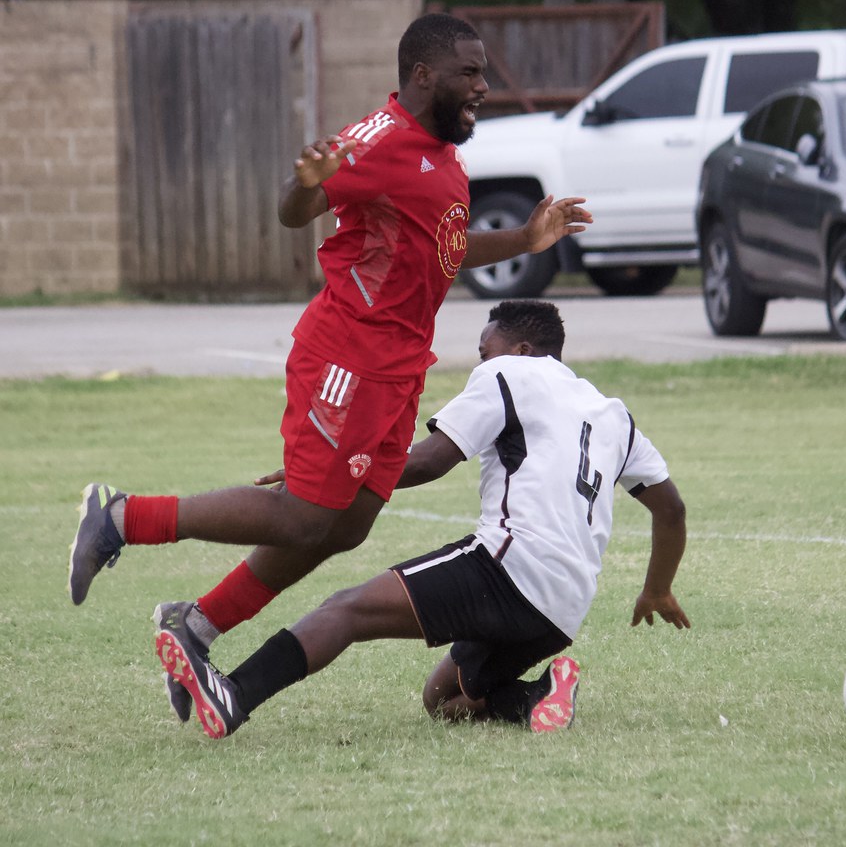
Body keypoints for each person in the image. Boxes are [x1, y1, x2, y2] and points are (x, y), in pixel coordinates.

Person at [68, 13, 592, 723]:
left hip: (399, 367)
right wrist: (303, 183)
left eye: (483, 73)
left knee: (348, 526)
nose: (483, 86)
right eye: (469, 73)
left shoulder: (441, 153)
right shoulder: (378, 139)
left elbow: (446, 249)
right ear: (422, 75)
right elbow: (299, 205)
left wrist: (527, 238)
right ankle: (123, 517)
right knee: (307, 514)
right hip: (348, 354)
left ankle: (197, 624)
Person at [154, 300, 690, 739]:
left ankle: (234, 697)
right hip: (564, 608)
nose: (481, 361)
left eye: (486, 350)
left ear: (522, 351)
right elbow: (671, 509)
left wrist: (333, 476)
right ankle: (536, 696)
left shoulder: (511, 374)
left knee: (347, 610)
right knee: (444, 700)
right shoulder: (612, 413)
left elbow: (433, 459)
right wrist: (658, 589)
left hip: (510, 567)